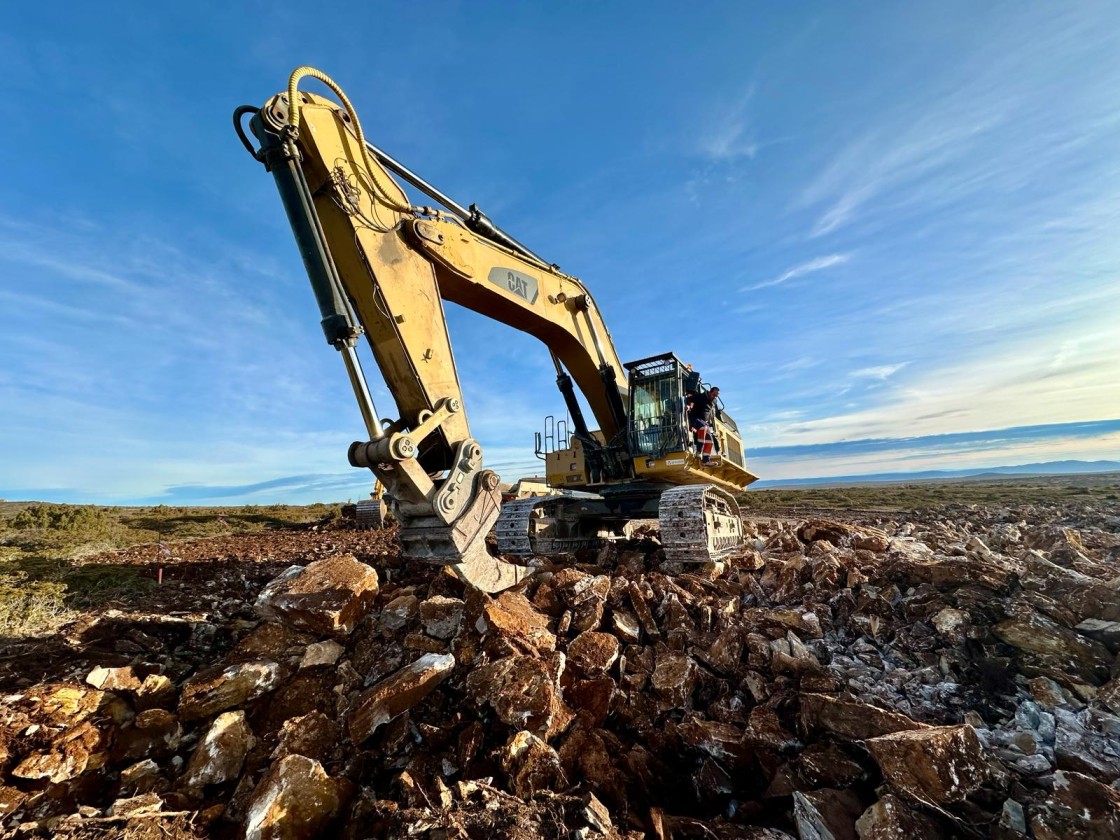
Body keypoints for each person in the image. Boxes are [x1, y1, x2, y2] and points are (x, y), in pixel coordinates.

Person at [686, 386, 720, 463]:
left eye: (716, 396)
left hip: (705, 422)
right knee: (703, 428)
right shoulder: (700, 396)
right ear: (710, 392)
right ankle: (699, 452)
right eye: (714, 395)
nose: (715, 397)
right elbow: (689, 399)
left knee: (710, 442)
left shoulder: (714, 401)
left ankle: (706, 460)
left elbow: (712, 412)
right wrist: (688, 405)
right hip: (695, 419)